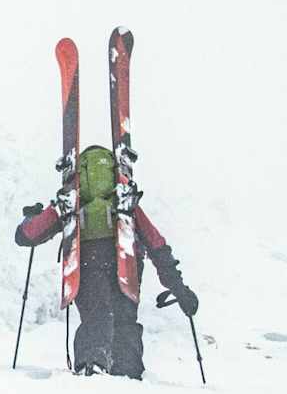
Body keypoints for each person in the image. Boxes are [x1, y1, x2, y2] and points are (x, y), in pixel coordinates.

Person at [15, 145, 197, 378]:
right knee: (124, 321)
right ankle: (129, 375)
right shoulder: (124, 203)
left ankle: (91, 366)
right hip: (124, 261)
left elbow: (26, 236)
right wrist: (179, 289)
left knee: (96, 314)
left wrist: (30, 218)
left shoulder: (71, 200)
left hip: (86, 262)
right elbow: (157, 244)